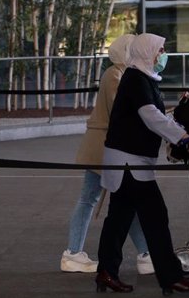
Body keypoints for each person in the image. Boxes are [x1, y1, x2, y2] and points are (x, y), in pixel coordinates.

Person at [95, 33, 189, 296]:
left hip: (128, 160)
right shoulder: (136, 79)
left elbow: (154, 115)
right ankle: (170, 277)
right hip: (129, 162)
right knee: (155, 217)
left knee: (118, 220)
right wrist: (182, 137)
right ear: (146, 52)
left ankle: (106, 272)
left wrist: (178, 116)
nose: (162, 55)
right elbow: (150, 115)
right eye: (159, 50)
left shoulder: (141, 78)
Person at [60, 34, 154, 275]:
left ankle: (74, 253)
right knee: (113, 199)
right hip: (104, 147)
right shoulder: (116, 75)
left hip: (103, 146)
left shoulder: (119, 73)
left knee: (102, 199)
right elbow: (121, 112)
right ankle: (144, 254)